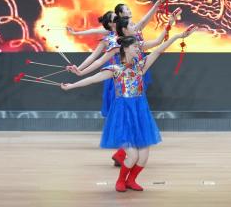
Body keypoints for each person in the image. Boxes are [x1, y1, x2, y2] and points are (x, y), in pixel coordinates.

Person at [61, 26, 198, 192]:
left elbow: (159, 49)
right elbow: (92, 79)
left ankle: (131, 180)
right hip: (123, 113)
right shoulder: (115, 69)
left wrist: (177, 36)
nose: (138, 49)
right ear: (126, 48)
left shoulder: (141, 66)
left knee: (143, 157)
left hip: (140, 113)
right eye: (135, 47)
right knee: (132, 156)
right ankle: (120, 180)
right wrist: (72, 85)